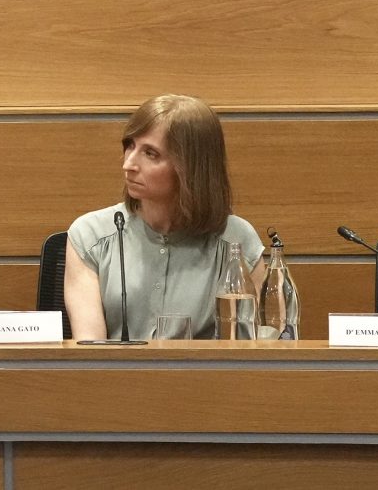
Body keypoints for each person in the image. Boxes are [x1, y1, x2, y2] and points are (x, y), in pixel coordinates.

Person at [63, 94, 264, 342]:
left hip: (206, 380)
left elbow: (252, 351)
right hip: (117, 379)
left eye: (150, 154)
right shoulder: (90, 235)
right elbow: (90, 352)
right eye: (130, 146)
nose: (129, 164)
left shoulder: (237, 241)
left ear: (190, 168)